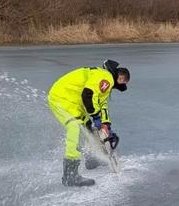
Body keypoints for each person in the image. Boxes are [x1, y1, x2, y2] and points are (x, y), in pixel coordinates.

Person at [47, 59, 130, 187]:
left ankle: (91, 158)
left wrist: (106, 125)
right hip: (62, 99)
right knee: (75, 128)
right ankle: (70, 175)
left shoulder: (105, 84)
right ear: (120, 78)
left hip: (74, 104)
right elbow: (88, 95)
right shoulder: (106, 77)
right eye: (123, 81)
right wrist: (96, 118)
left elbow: (102, 105)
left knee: (88, 130)